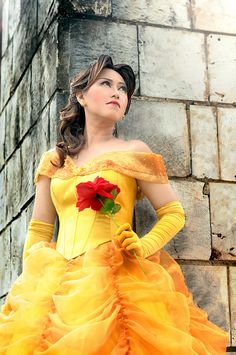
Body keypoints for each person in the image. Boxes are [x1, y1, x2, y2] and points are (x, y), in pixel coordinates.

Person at [0, 54, 229, 354]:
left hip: (117, 274)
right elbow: (41, 228)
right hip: (56, 281)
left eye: (122, 89)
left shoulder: (133, 151)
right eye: (106, 84)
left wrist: (144, 246)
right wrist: (31, 281)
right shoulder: (55, 160)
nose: (116, 93)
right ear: (81, 95)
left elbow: (173, 212)